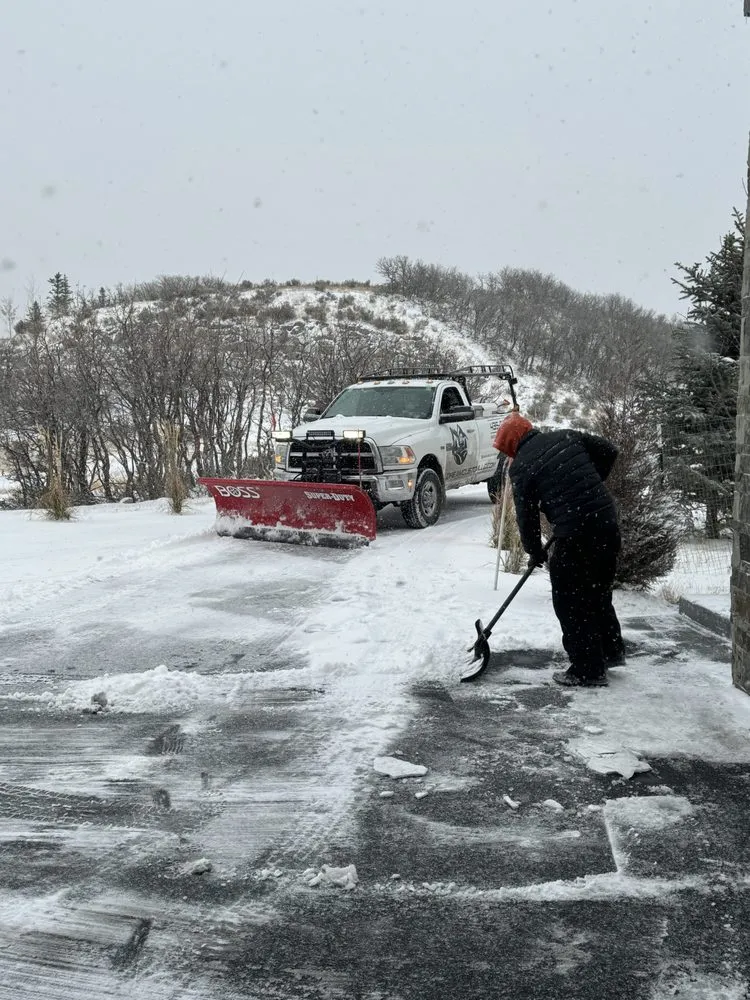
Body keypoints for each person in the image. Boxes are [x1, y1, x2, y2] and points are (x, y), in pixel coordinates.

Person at [493, 411, 625, 688]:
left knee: (571, 600)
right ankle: (610, 651)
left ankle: (588, 670)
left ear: (512, 446)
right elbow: (610, 451)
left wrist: (534, 550)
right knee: (598, 591)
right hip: (606, 524)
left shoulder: (522, 467)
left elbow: (526, 515)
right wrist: (589, 486)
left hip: (576, 533)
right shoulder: (566, 436)